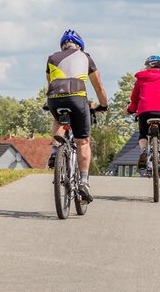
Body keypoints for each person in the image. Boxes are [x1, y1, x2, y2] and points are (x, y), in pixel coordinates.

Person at [46, 29, 108, 202]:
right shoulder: (86, 57)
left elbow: (50, 84)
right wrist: (103, 104)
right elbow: (99, 87)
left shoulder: (52, 58)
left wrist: (49, 102)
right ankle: (83, 182)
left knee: (57, 118)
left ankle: (54, 152)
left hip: (54, 98)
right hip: (77, 98)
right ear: (79, 46)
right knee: (83, 141)